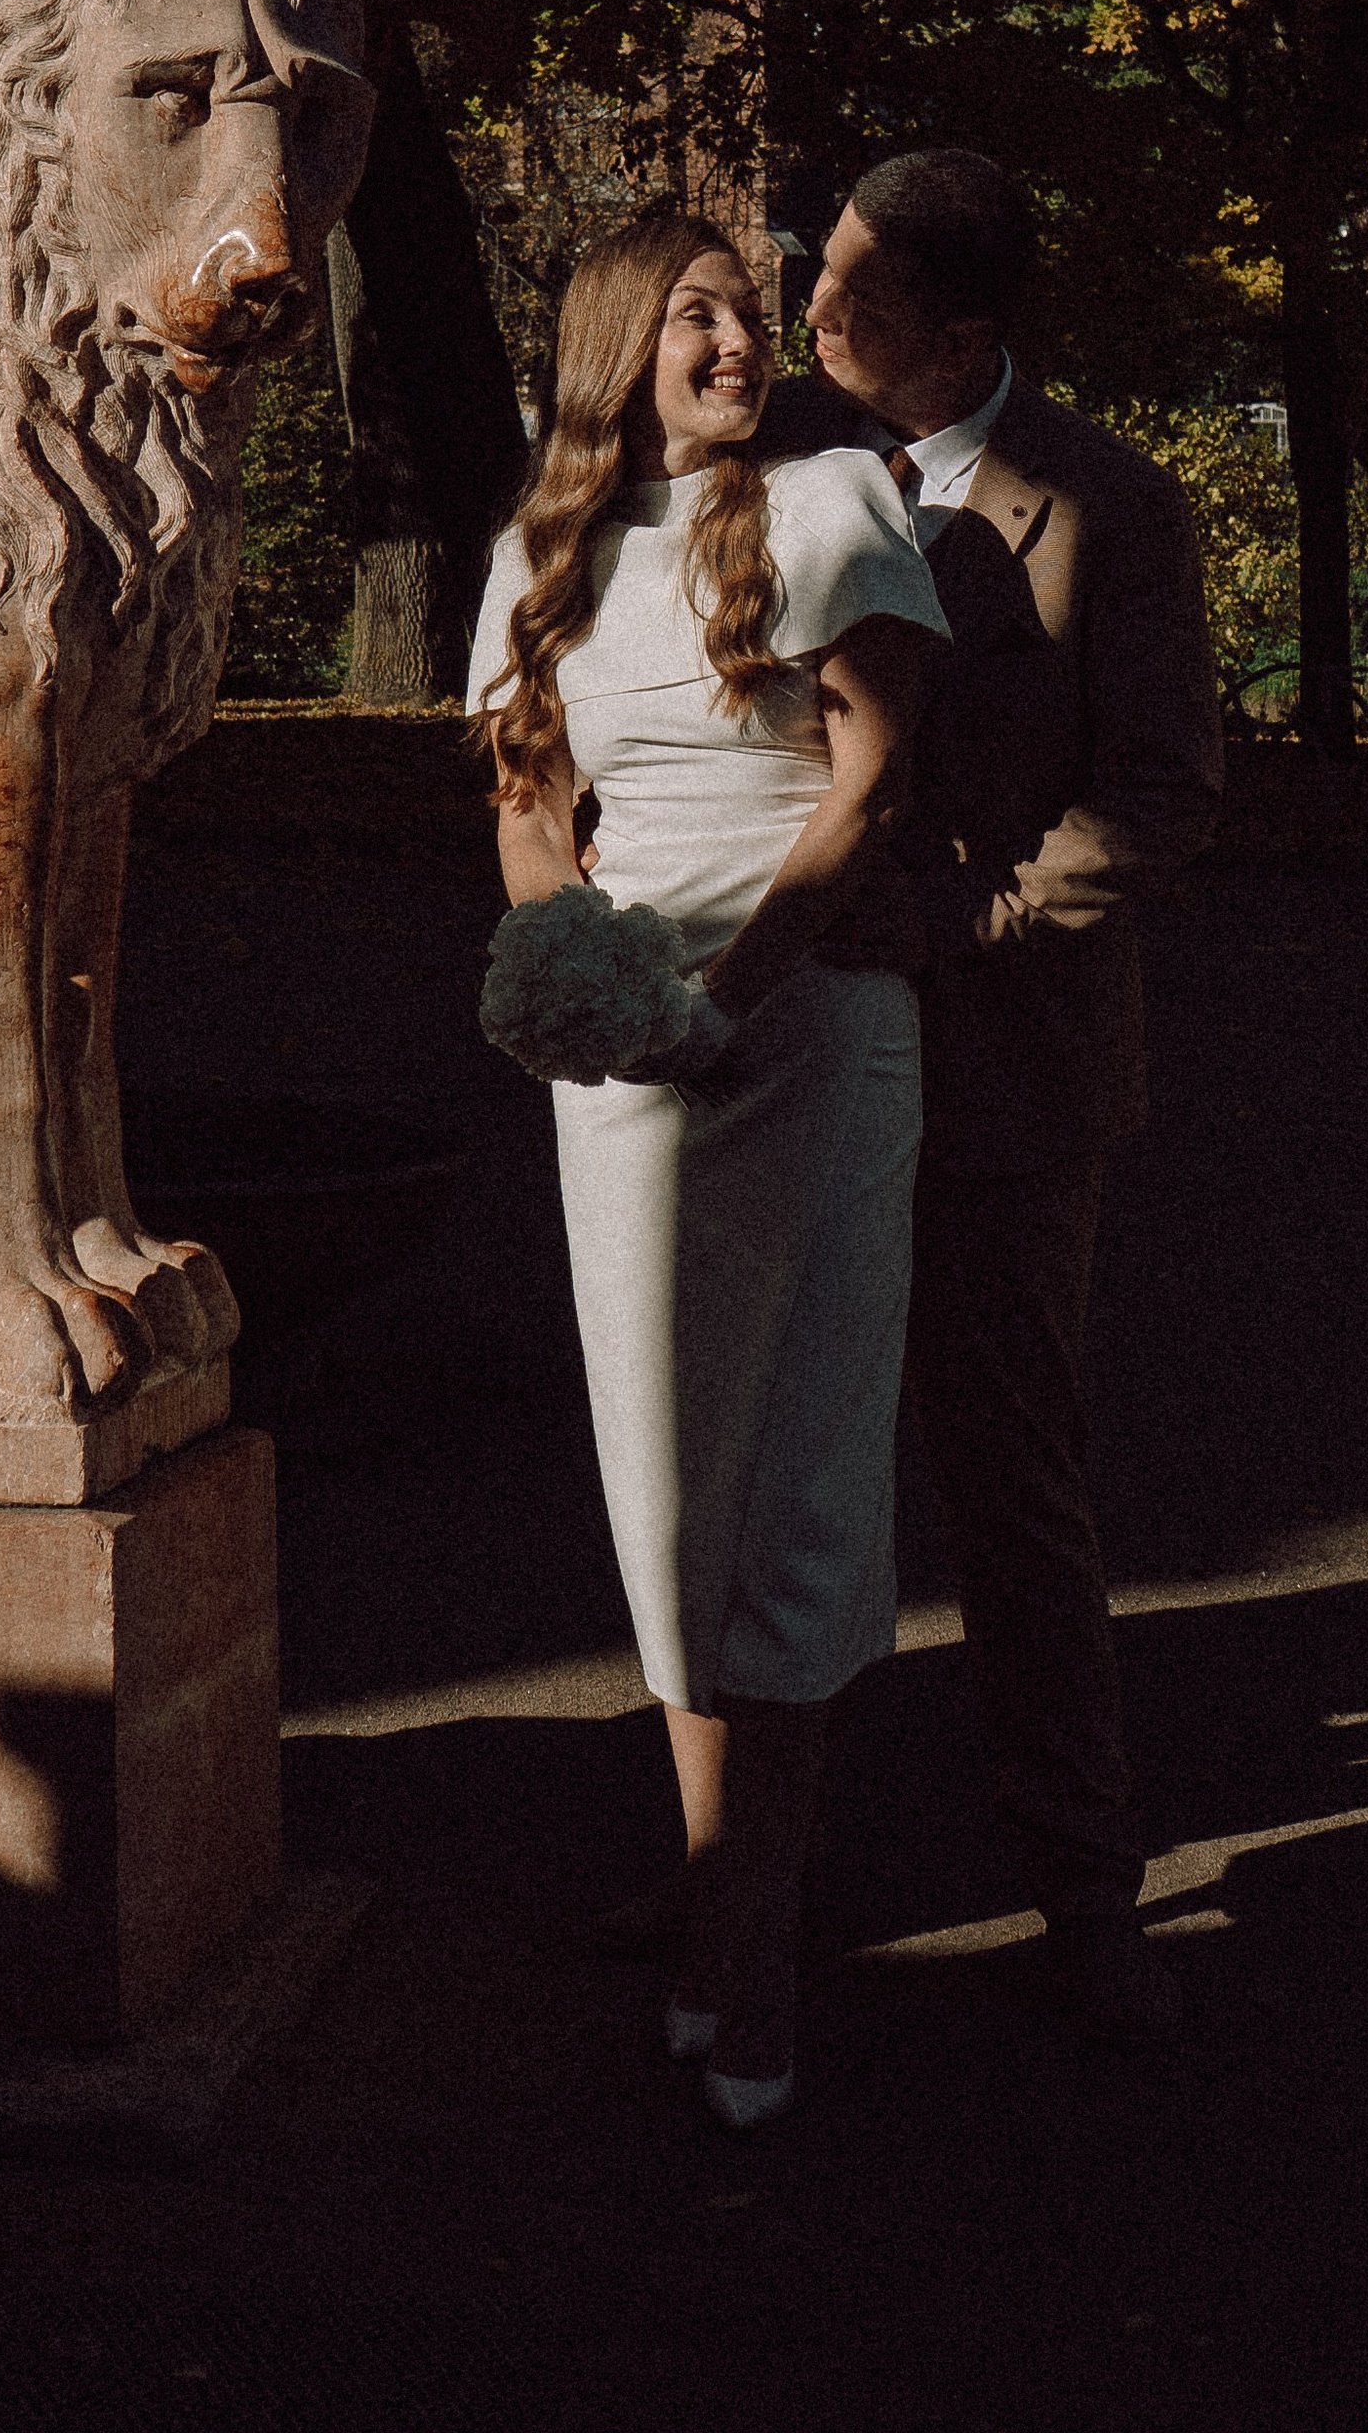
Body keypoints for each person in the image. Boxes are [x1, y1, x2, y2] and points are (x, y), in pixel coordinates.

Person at [468, 208, 947, 2128]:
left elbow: (872, 778)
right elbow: (526, 805)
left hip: (816, 1036)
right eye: (700, 316)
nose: (745, 343)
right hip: (634, 1067)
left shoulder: (832, 502)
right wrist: (584, 978)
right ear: (615, 344)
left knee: (809, 1467)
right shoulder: (538, 559)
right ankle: (717, 1884)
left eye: (751, 315)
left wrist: (732, 990)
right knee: (669, 1482)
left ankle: (753, 1944)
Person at [769, 147, 1223, 2038]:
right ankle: (746, 1888)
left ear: (959, 336)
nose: (807, 313)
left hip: (1006, 1075)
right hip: (790, 1055)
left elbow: (1163, 804)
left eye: (850, 292)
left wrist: (970, 925)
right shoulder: (774, 474)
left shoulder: (1112, 508)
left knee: (1010, 1485)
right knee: (774, 1469)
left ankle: (1082, 1884)